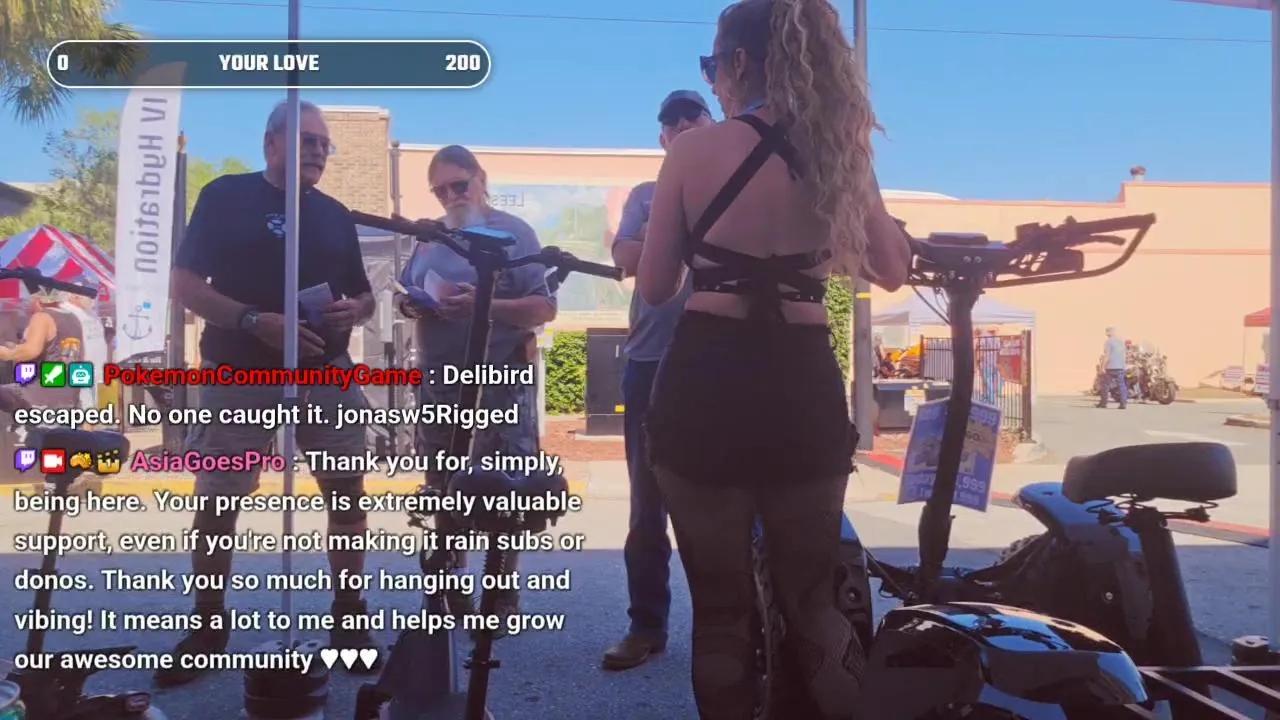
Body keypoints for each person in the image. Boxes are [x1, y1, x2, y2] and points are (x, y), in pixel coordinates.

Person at [635, 0, 911, 716]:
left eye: (713, 66)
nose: (714, 81)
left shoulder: (691, 152)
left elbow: (656, 286)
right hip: (800, 381)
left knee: (720, 612)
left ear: (739, 63)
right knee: (814, 601)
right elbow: (891, 267)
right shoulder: (838, 152)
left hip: (706, 382)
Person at [156, 100, 379, 687]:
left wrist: (355, 308)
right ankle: (208, 625)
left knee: (347, 492)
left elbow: (364, 295)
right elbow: (184, 286)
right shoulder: (225, 196)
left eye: (325, 144)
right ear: (271, 142)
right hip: (238, 371)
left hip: (326, 371)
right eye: (307, 140)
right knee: (218, 498)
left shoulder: (335, 214)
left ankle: (349, 618)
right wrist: (254, 320)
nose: (319, 151)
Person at [395, 144, 556, 629]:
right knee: (444, 487)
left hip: (499, 380)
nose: (450, 197)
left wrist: (482, 305)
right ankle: (452, 586)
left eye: (458, 185)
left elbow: (543, 307)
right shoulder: (430, 237)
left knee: (505, 488)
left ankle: (501, 593)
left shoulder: (513, 232)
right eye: (440, 191)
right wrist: (413, 305)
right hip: (439, 382)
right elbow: (405, 291)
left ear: (480, 179)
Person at [603, 90, 716, 672]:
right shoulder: (646, 194)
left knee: (724, 503)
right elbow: (625, 254)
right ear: (663, 138)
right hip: (647, 363)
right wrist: (676, 238)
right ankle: (646, 626)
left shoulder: (732, 187)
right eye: (673, 122)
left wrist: (659, 240)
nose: (684, 125)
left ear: (712, 124)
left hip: (717, 359)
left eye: (694, 116)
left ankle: (730, 633)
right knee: (647, 508)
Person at [1099, 326, 1128, 409]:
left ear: (1109, 333)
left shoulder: (1108, 342)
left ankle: (1103, 403)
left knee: (1105, 385)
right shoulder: (1121, 342)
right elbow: (1124, 355)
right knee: (1122, 385)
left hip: (1111, 367)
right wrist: (1123, 365)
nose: (1106, 333)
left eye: (1107, 332)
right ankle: (1123, 404)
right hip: (1120, 367)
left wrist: (1102, 367)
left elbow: (1107, 356)